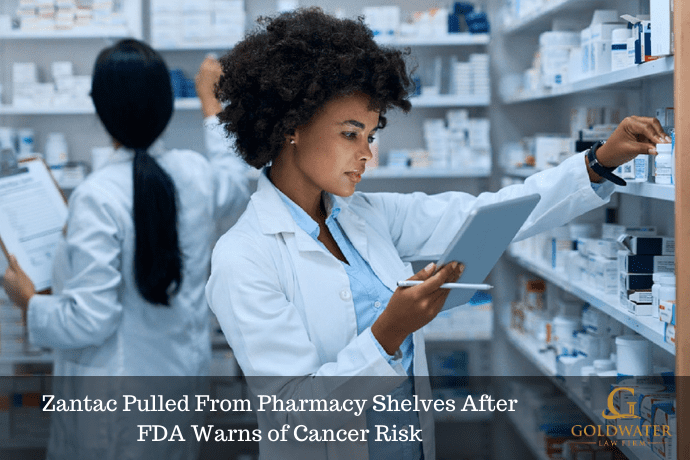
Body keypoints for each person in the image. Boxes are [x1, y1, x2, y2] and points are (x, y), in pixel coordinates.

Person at [204, 8, 669, 460]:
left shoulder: (362, 216)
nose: (367, 153)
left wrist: (598, 161)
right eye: (351, 134)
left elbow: (489, 215)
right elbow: (299, 415)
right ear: (292, 128)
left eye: (371, 134)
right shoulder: (243, 256)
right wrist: (390, 331)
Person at [2, 40, 249, 459]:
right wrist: (211, 102)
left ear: (100, 109)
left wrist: (28, 302)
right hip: (177, 389)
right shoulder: (196, 175)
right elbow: (237, 179)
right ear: (167, 105)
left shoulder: (97, 195)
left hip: (114, 406)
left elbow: (88, 322)